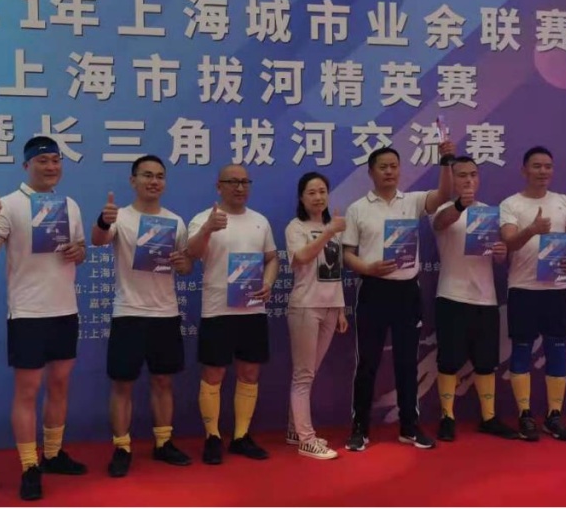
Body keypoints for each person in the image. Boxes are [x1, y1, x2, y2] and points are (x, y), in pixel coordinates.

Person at [0, 136, 89, 501]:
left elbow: (81, 249)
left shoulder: (69, 205)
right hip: (27, 312)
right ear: (26, 166)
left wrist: (79, 251)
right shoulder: (8, 205)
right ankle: (29, 465)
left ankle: (53, 454)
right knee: (27, 391)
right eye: (42, 161)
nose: (51, 166)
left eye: (56, 160)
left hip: (65, 309)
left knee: (60, 384)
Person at [342, 141, 455, 452]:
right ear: (371, 172)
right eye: (383, 167)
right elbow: (347, 254)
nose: (389, 171)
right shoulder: (357, 208)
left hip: (407, 292)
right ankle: (360, 428)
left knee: (407, 362)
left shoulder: (413, 201)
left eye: (394, 166)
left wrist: (446, 160)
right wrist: (367, 268)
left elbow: (444, 195)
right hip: (373, 290)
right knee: (367, 362)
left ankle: (409, 427)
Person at [91, 155, 193, 478]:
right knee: (123, 384)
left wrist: (183, 263)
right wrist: (103, 221)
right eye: (147, 175)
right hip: (129, 312)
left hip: (166, 312)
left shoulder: (175, 222)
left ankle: (163, 442)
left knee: (163, 381)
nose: (154, 181)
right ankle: (122, 447)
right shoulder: (120, 217)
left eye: (159, 176)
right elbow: (98, 240)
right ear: (133, 180)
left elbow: (186, 264)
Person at [187, 164, 278, 465]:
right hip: (217, 310)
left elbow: (272, 259)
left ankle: (241, 436)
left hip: (253, 308)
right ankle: (212, 436)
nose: (240, 187)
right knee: (214, 373)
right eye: (232, 182)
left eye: (244, 182)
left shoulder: (260, 221)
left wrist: (268, 283)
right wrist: (207, 229)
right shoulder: (203, 218)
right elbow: (191, 254)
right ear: (219, 186)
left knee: (250, 372)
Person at [430, 156, 518, 443]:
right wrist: (459, 205)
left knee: (486, 362)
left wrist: (501, 253)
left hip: (485, 298)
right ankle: (447, 417)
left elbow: (499, 255)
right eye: (462, 175)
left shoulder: (490, 213)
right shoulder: (443, 208)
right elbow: (441, 223)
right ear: (452, 179)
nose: (469, 180)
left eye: (473, 174)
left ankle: (489, 418)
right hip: (451, 295)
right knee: (448, 361)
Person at [498, 147, 566, 442]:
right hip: (523, 288)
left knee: (557, 350)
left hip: (558, 289)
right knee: (521, 350)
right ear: (524, 170)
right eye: (536, 166)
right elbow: (508, 243)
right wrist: (532, 229)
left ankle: (554, 416)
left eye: (548, 166)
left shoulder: (564, 202)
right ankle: (525, 415)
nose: (543, 171)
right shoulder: (511, 204)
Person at [284, 172, 349, 461]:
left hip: (330, 308)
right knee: (303, 375)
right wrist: (328, 233)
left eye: (322, 191)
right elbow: (301, 258)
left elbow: (336, 272)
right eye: (311, 192)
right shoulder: (295, 227)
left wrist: (341, 308)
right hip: (305, 307)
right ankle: (307, 440)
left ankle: (294, 430)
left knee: (309, 373)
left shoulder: (333, 227)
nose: (318, 197)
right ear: (301, 197)